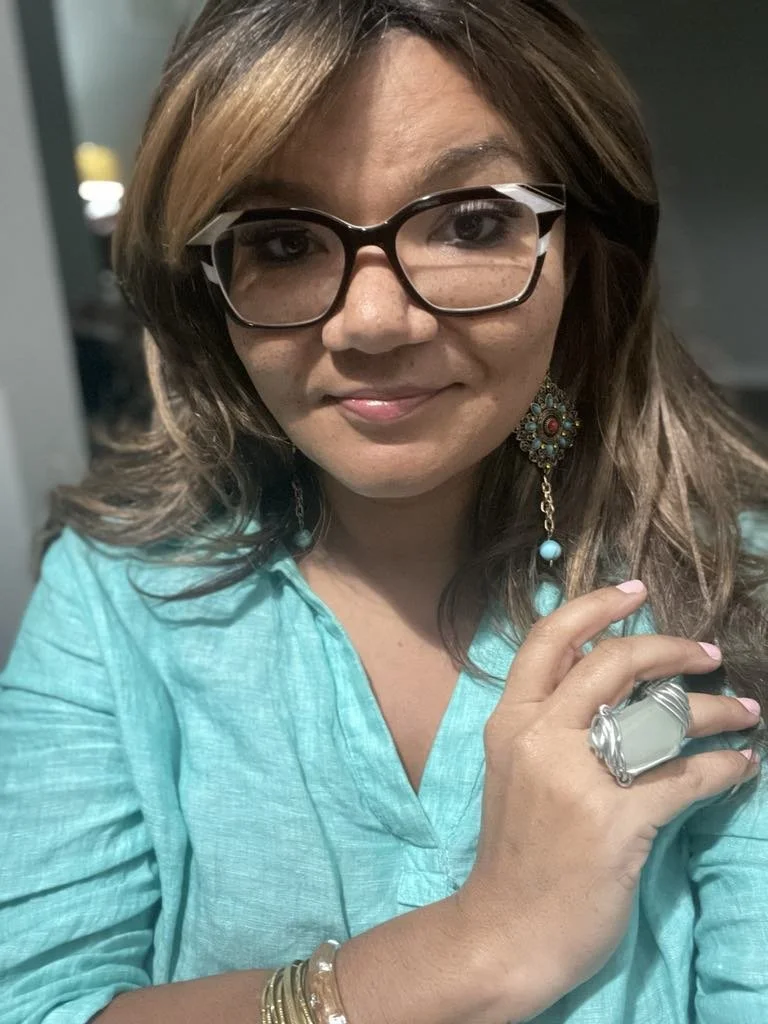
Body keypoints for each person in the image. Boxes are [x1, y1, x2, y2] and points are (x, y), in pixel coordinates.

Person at [1, 1, 767, 1021]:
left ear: (584, 259)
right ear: (207, 290)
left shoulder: (730, 588)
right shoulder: (116, 594)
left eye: (470, 223)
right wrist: (482, 941)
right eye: (281, 239)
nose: (370, 322)